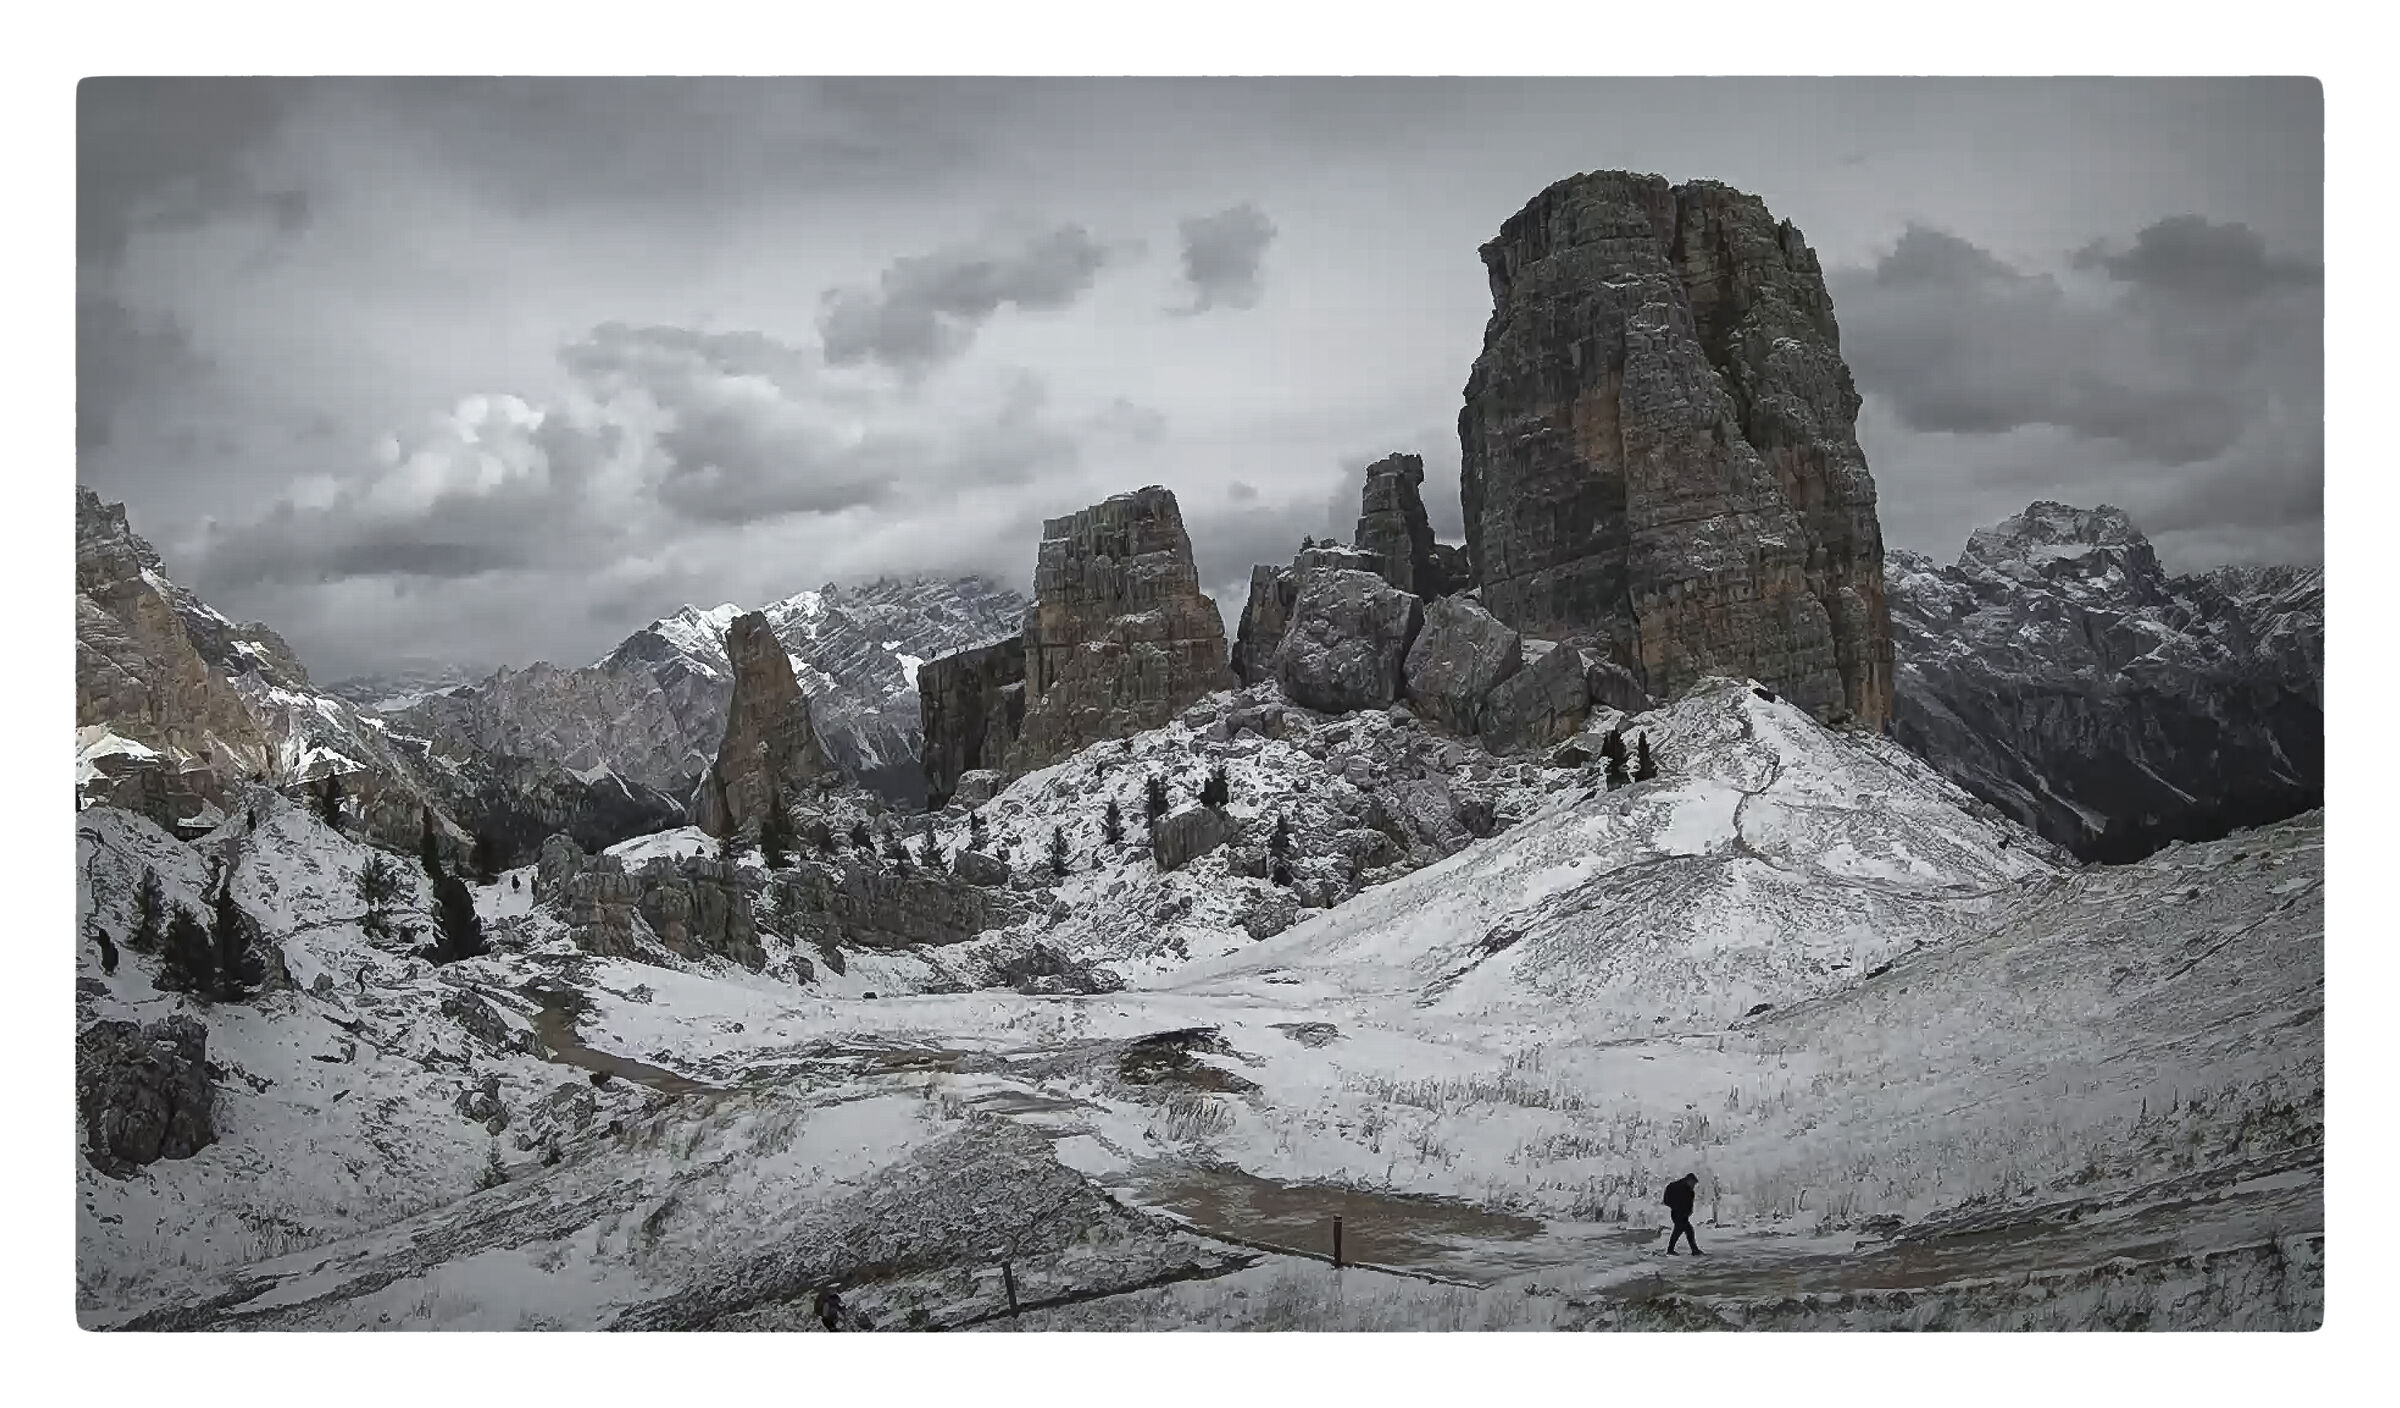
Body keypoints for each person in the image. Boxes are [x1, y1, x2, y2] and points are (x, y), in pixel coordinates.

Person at [1663, 1173, 1703, 1255]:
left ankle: (1671, 1250)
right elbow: (1666, 1200)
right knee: (1687, 1230)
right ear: (1688, 1180)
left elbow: (1689, 1204)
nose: (1694, 1186)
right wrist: (1676, 1207)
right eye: (1693, 1183)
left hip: (1682, 1215)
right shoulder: (1675, 1187)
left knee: (1681, 1231)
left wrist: (1688, 1211)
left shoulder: (1689, 1191)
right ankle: (1694, 1250)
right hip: (1677, 1214)